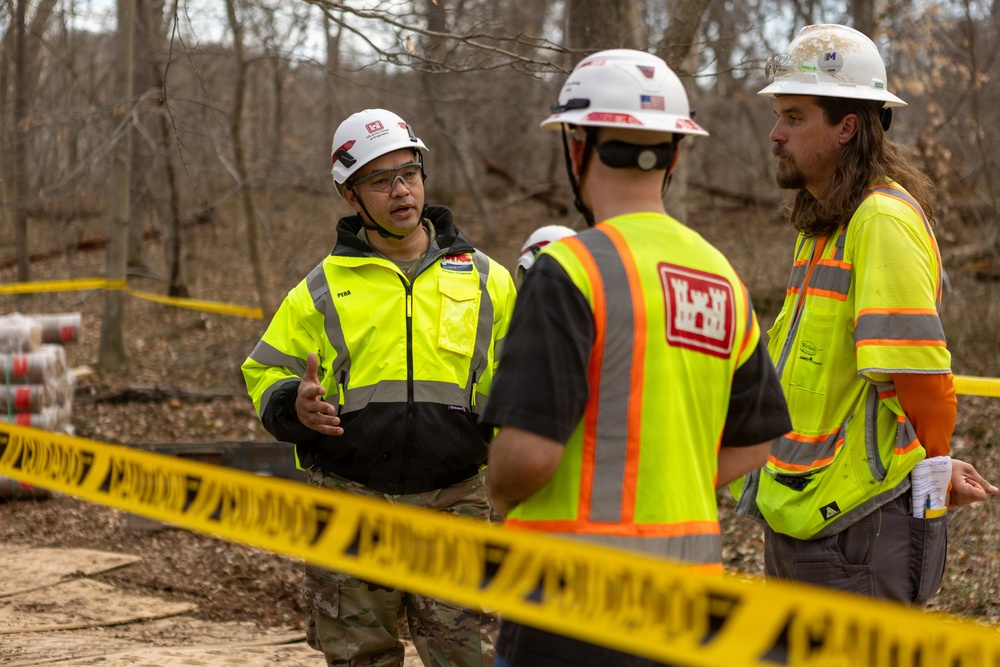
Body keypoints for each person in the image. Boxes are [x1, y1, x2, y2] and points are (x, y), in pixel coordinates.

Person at [480, 49, 793, 667]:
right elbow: (758, 442)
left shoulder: (571, 268)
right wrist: (664, 485)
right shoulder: (719, 276)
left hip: (570, 604)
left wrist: (498, 495)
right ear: (675, 154)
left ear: (576, 147)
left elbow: (525, 457)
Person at [242, 107, 516, 667]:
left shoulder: (487, 278)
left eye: (408, 174)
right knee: (360, 658)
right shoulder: (319, 289)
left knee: (466, 659)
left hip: (455, 501)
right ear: (350, 196)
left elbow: (526, 382)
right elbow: (264, 370)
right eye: (378, 179)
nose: (400, 191)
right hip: (352, 501)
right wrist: (291, 403)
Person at [734, 23, 998, 605]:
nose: (775, 133)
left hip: (858, 522)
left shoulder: (880, 221)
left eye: (795, 117)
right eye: (779, 115)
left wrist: (935, 469)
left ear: (847, 127)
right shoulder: (824, 223)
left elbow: (921, 376)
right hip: (804, 507)